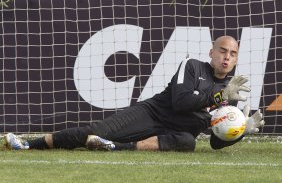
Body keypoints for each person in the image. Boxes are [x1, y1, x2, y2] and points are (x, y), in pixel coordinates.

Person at [4, 36, 265, 151]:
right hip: (153, 114)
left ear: (236, 59)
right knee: (95, 131)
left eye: (232, 54)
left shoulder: (232, 92)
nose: (226, 57)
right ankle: (27, 145)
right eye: (222, 51)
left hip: (175, 134)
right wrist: (218, 96)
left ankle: (116, 149)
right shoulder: (193, 66)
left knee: (188, 143)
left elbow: (216, 142)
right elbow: (181, 101)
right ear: (212, 52)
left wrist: (240, 130)